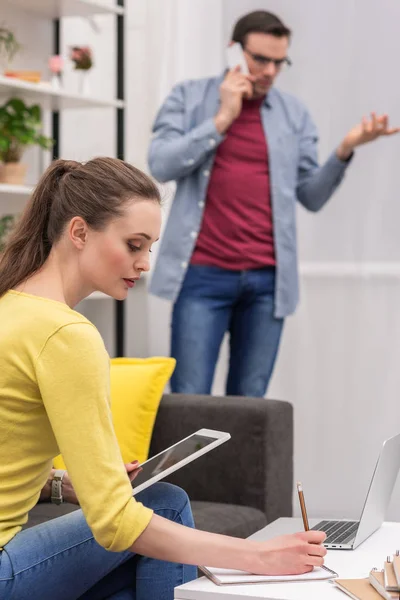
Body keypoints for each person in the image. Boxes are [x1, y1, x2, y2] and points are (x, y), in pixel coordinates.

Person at [0, 157, 327, 600]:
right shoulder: (65, 334)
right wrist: (260, 556)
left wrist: (62, 483)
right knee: (165, 504)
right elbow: (115, 522)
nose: (145, 263)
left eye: (150, 247)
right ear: (78, 232)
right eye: (134, 245)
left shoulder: (11, 306)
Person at [148, 10, 399, 398]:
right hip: (201, 276)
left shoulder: (294, 114)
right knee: (189, 399)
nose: (269, 71)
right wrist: (222, 118)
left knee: (250, 408)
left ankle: (238, 465)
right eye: (260, 59)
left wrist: (345, 150)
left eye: (279, 62)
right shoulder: (189, 96)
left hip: (267, 284)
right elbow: (160, 164)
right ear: (234, 51)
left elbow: (311, 197)